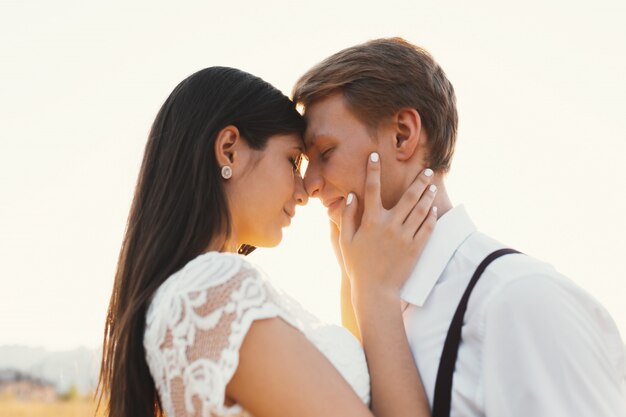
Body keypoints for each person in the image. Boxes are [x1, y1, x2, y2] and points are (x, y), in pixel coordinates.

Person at [293, 37, 626, 417]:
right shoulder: (374, 301)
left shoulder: (516, 299)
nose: (309, 184)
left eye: (325, 153)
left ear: (403, 134)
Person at [97, 66, 440, 417]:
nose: (304, 190)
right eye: (292, 161)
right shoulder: (214, 290)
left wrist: (353, 279)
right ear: (229, 150)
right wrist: (376, 294)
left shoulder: (193, 296)